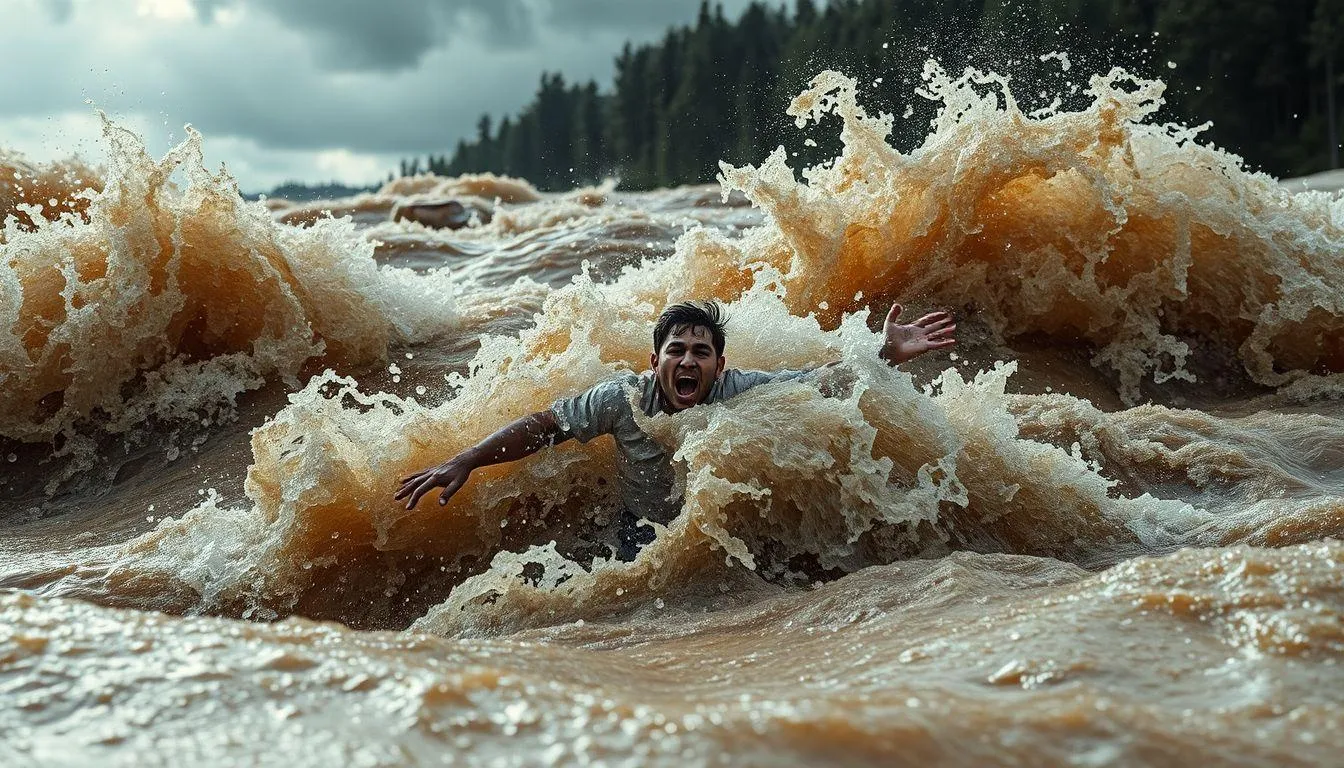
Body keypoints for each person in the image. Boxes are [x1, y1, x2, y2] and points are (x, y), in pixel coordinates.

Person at [395, 300, 956, 561]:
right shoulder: (621, 398)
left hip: (712, 530)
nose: (689, 361)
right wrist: (467, 458)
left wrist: (885, 352)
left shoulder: (741, 389)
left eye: (701, 353)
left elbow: (817, 382)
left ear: (719, 364)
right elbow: (545, 424)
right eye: (678, 350)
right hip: (639, 530)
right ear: (656, 360)